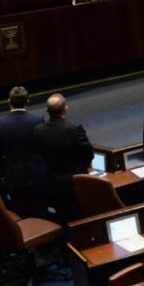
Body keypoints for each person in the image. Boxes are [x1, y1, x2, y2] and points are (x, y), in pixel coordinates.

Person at [32, 93, 92, 222]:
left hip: (53, 182)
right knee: (79, 216)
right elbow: (88, 153)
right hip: (76, 182)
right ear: (66, 108)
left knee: (62, 216)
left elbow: (38, 153)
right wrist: (84, 166)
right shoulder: (75, 129)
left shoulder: (38, 130)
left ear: (47, 110)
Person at [0, 86, 48, 218]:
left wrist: (2, 174)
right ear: (27, 101)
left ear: (9, 101)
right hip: (37, 173)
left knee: (21, 211)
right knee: (40, 210)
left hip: (13, 175)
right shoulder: (38, 120)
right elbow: (44, 146)